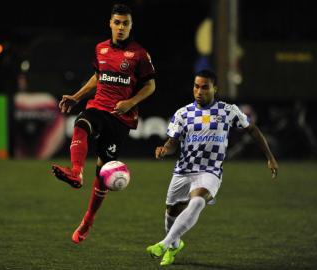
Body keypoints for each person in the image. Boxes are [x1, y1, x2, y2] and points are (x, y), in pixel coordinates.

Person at [146, 69, 278, 266]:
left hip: (210, 171)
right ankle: (174, 245)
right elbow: (173, 143)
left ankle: (164, 244)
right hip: (183, 171)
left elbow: (252, 130)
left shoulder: (228, 111)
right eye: (196, 86)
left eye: (204, 87)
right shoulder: (183, 114)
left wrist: (270, 157)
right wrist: (164, 149)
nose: (199, 91)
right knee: (171, 213)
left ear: (215, 88)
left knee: (198, 201)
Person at [52, 3, 156, 244]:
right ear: (110, 23)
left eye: (125, 23)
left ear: (131, 26)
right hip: (98, 107)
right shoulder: (100, 49)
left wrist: (130, 102)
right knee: (82, 123)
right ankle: (76, 173)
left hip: (120, 118)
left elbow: (151, 85)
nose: (121, 27)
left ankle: (88, 220)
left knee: (103, 172)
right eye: (117, 22)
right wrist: (76, 97)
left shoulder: (139, 54)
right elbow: (98, 78)